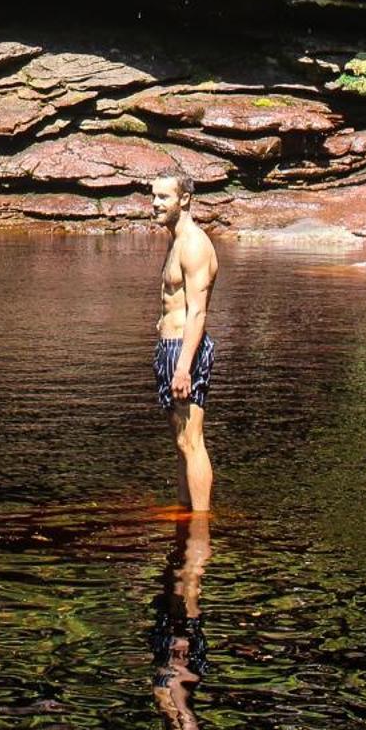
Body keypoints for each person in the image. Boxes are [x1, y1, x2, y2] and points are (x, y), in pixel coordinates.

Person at [150, 170, 218, 512]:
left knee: (192, 439)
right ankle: (183, 510)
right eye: (153, 196)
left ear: (185, 199)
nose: (155, 204)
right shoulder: (175, 239)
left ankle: (201, 522)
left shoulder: (193, 244)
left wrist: (183, 367)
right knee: (180, 440)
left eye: (163, 197)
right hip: (170, 348)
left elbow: (197, 313)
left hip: (184, 352)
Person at [150, 512, 212, 730]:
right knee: (187, 580)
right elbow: (183, 712)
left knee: (183, 580)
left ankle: (193, 529)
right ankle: (196, 527)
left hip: (174, 659)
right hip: (176, 658)